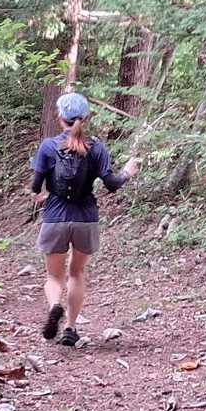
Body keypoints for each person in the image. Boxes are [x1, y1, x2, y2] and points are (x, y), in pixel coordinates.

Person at [29, 92, 140, 345]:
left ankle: (55, 306)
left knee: (53, 277)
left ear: (60, 117)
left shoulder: (48, 147)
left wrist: (40, 196)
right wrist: (127, 172)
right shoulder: (96, 148)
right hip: (86, 219)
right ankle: (70, 328)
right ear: (86, 118)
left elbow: (36, 186)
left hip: (55, 217)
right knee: (76, 273)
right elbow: (112, 184)